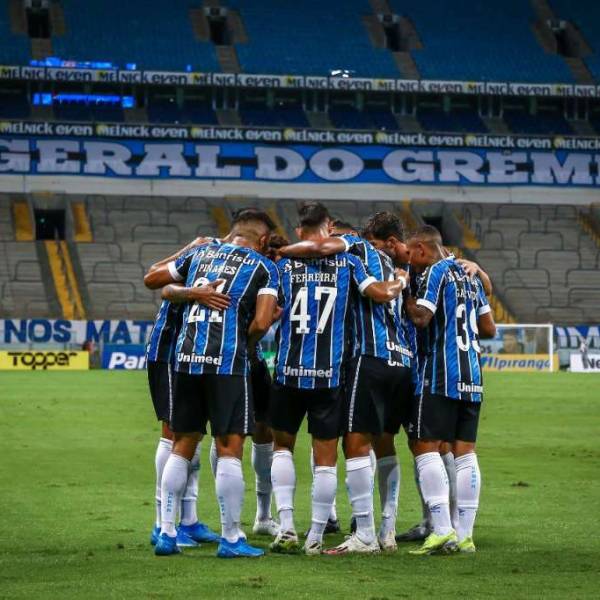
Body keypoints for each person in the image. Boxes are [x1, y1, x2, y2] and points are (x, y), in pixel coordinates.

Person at [269, 202, 406, 555]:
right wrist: (401, 279)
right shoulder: (350, 263)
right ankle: (316, 536)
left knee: (282, 448)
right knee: (327, 459)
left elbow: (266, 316)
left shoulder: (282, 266)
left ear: (298, 231)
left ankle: (286, 527)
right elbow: (376, 294)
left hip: (287, 369)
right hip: (330, 374)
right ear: (329, 227)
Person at [144, 210, 280, 558]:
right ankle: (231, 539)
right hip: (227, 364)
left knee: (182, 442)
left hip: (185, 359)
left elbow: (165, 288)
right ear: (264, 240)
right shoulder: (264, 267)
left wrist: (193, 293)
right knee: (229, 446)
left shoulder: (199, 253)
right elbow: (262, 322)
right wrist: (246, 341)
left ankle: (167, 532)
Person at [404, 225, 496, 555]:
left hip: (440, 374)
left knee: (425, 447)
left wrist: (405, 292)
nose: (408, 260)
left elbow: (421, 318)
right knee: (465, 453)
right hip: (472, 374)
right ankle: (465, 535)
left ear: (421, 249)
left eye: (410, 253)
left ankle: (442, 529)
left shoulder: (435, 272)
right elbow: (489, 328)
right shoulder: (470, 275)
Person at [143, 237, 222, 549]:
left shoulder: (232, 259)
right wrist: (189, 248)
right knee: (173, 434)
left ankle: (188, 520)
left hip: (195, 354)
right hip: (169, 349)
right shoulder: (205, 252)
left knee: (192, 435)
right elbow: (153, 277)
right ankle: (161, 524)